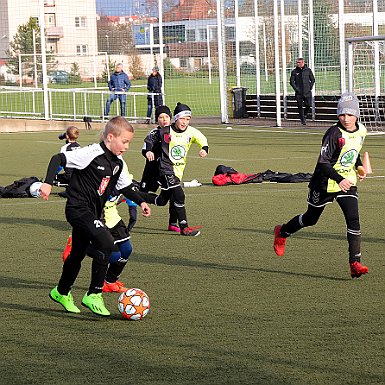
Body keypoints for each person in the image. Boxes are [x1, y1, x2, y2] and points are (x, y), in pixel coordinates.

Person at [40, 116, 151, 316]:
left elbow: (124, 186)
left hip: (94, 213)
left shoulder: (118, 162)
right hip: (78, 209)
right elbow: (58, 159)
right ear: (110, 137)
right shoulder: (91, 153)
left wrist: (142, 201)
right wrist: (47, 182)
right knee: (108, 245)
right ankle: (94, 294)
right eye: (124, 142)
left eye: (129, 143)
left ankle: (61, 291)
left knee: (77, 255)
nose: (126, 146)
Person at [273, 92, 369, 279]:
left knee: (354, 221)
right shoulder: (333, 134)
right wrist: (339, 179)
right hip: (324, 182)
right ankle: (282, 231)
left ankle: (354, 263)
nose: (346, 118)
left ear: (357, 114)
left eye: (350, 114)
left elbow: (354, 151)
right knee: (311, 219)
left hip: (347, 182)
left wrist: (358, 167)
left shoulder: (362, 131)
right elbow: (323, 163)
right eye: (342, 114)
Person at [144, 102, 209, 237]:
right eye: (182, 119)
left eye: (187, 119)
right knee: (179, 195)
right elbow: (150, 139)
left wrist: (204, 149)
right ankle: (184, 227)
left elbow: (202, 139)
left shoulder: (191, 131)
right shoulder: (165, 130)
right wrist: (148, 151)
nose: (185, 122)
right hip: (166, 169)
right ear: (176, 118)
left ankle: (137, 195)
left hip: (178, 171)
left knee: (163, 201)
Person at [140, 105, 179, 233]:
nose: (164, 120)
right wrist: (148, 152)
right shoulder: (155, 133)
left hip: (168, 170)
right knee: (143, 194)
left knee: (171, 197)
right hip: (154, 170)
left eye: (166, 117)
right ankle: (129, 191)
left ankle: (173, 223)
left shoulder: (175, 132)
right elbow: (147, 145)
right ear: (157, 120)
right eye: (161, 117)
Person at [55, 126, 81, 198]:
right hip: (80, 176)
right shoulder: (79, 146)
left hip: (69, 176)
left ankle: (69, 190)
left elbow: (60, 164)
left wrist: (54, 174)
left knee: (54, 178)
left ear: (67, 136)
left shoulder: (65, 148)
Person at [290, 57, 315, 125]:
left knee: (308, 104)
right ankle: (303, 120)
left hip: (307, 92)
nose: (298, 64)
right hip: (299, 93)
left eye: (299, 62)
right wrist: (296, 89)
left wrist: (310, 87)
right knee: (300, 106)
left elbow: (312, 79)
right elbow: (292, 82)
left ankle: (305, 114)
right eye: (297, 62)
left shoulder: (308, 70)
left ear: (303, 63)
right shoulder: (294, 71)